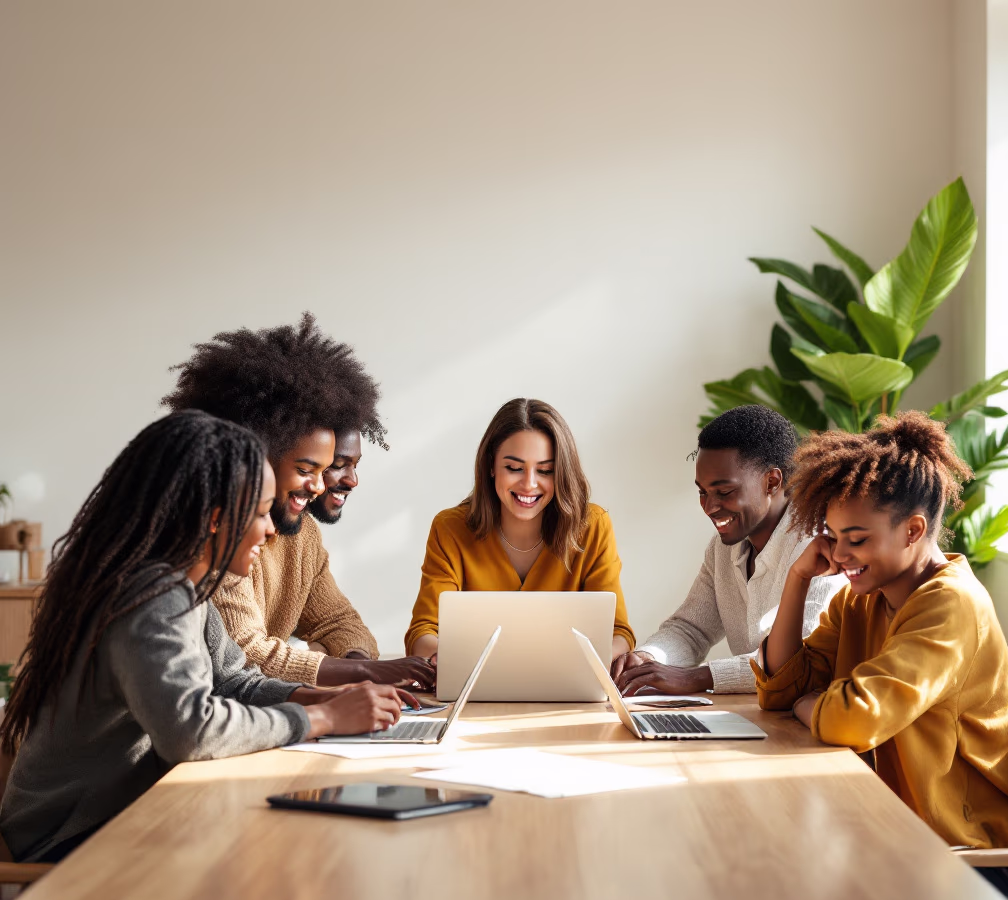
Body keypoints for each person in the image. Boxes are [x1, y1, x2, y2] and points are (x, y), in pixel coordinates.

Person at [0, 412, 406, 863]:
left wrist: (322, 698)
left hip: (124, 813)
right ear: (216, 519)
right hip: (69, 836)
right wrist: (322, 721)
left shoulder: (188, 586)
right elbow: (190, 731)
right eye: (257, 514)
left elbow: (236, 682)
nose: (270, 529)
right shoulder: (152, 594)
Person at [754, 412, 1008, 900]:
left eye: (856, 540)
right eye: (832, 537)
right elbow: (782, 686)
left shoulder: (951, 605)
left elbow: (852, 718)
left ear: (913, 530)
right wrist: (797, 580)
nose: (839, 556)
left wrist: (809, 706)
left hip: (966, 855)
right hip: (892, 830)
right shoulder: (861, 598)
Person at [162, 312, 433, 691]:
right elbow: (247, 658)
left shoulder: (301, 535)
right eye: (316, 467)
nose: (323, 485)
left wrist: (332, 662)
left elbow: (343, 625)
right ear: (260, 453)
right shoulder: (219, 534)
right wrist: (355, 672)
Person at [612, 405, 845, 696]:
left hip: (817, 719)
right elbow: (691, 629)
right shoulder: (725, 547)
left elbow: (801, 657)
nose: (710, 507)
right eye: (702, 492)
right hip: (765, 715)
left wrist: (696, 678)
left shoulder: (822, 545)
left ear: (772, 481)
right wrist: (648, 659)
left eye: (724, 492)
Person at [406, 398, 635, 660]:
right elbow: (423, 632)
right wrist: (444, 660)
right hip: (473, 693)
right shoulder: (450, 529)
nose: (529, 484)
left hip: (567, 692)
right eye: (514, 468)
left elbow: (617, 632)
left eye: (545, 471)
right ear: (491, 465)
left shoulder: (593, 525)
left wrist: (595, 661)